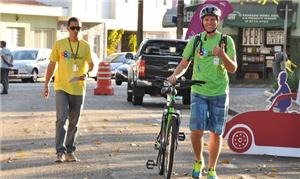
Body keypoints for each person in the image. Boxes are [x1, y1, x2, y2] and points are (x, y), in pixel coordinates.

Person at [167, 5, 237, 179]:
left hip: (220, 92)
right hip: (198, 90)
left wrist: (222, 54)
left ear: (218, 21)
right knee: (196, 130)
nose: (210, 22)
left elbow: (233, 68)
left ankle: (212, 169)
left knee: (216, 132)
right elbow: (184, 64)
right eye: (207, 19)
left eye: (213, 19)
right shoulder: (196, 41)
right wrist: (174, 76)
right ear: (202, 22)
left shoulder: (226, 41)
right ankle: (199, 160)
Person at [43, 17, 94, 163]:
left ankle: (70, 151)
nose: (76, 31)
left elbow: (91, 64)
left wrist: (88, 73)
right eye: (73, 28)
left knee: (74, 122)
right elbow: (52, 65)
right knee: (61, 119)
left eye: (78, 28)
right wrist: (46, 84)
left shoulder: (85, 46)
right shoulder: (60, 44)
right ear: (68, 29)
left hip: (78, 89)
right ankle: (60, 151)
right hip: (62, 87)